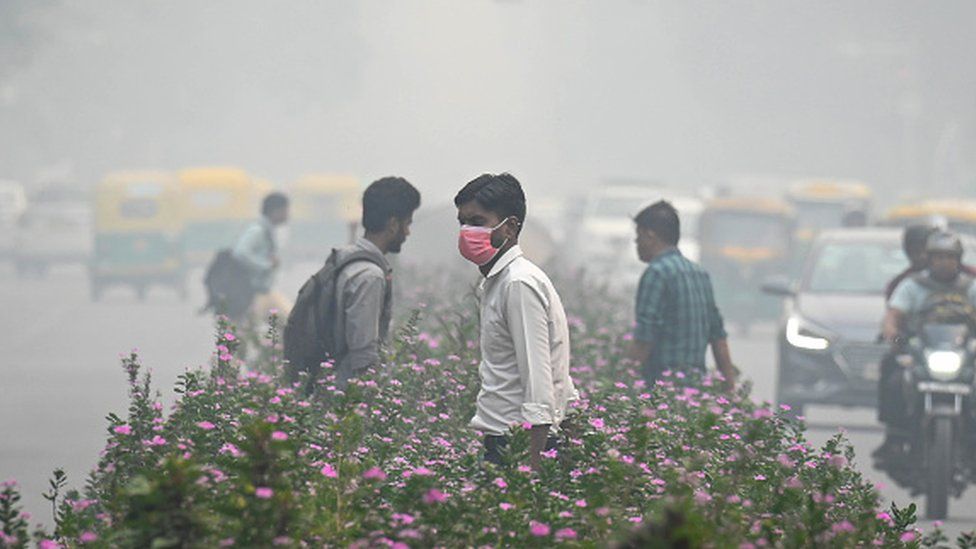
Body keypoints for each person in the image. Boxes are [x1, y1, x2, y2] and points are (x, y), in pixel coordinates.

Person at [456, 173, 578, 470]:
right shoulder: (501, 282)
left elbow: (539, 384)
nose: (467, 231)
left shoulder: (518, 285)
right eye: (463, 223)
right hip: (506, 441)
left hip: (517, 447)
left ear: (510, 227)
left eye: (477, 221)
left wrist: (531, 474)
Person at [875, 230, 976, 460]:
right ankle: (896, 435)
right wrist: (894, 336)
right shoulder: (912, 286)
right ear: (929, 260)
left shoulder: (970, 286)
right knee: (893, 376)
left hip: (965, 355)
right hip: (921, 353)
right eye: (938, 257)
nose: (944, 262)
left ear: (958, 260)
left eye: (949, 257)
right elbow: (893, 317)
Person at [627, 201, 736, 390]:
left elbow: (644, 338)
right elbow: (718, 337)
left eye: (638, 237)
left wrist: (624, 382)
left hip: (661, 390)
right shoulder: (699, 274)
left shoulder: (656, 273)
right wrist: (730, 389)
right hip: (694, 391)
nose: (637, 244)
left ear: (650, 236)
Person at [331, 176, 420, 386]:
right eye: (406, 224)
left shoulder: (344, 258)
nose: (407, 232)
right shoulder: (370, 277)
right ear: (392, 225)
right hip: (347, 399)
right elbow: (364, 356)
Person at [232, 192, 291, 321]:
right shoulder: (257, 230)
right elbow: (240, 253)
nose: (288, 214)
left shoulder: (267, 229)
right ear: (275, 211)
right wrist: (266, 265)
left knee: (292, 322)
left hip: (265, 291)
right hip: (253, 294)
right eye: (286, 210)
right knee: (249, 331)